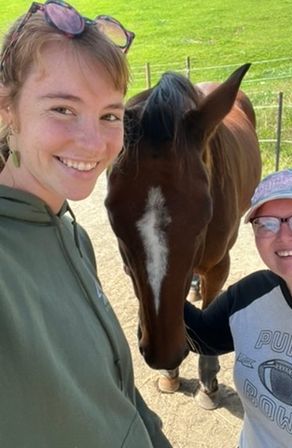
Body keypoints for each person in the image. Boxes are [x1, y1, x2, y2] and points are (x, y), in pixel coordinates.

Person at [0, 2, 171, 447]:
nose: (95, 143)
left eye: (110, 115)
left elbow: (114, 385)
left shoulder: (70, 233)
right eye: (62, 109)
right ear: (6, 110)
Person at [184, 168, 292, 448]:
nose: (284, 235)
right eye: (266, 224)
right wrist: (155, 278)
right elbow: (204, 336)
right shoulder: (253, 293)